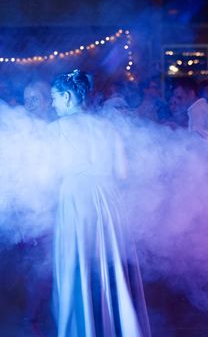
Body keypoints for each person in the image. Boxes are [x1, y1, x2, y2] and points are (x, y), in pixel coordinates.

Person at [49, 70, 151, 337]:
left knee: (77, 266)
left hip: (75, 199)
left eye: (54, 98)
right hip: (109, 199)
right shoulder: (109, 127)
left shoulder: (56, 129)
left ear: (68, 97)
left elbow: (47, 175)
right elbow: (123, 173)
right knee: (111, 266)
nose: (52, 104)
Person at [171, 77, 208, 152]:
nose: (176, 101)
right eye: (175, 97)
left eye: (179, 97)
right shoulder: (201, 106)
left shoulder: (197, 110)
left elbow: (200, 141)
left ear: (191, 94)